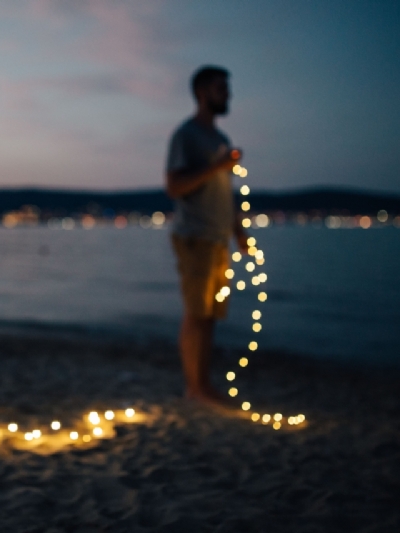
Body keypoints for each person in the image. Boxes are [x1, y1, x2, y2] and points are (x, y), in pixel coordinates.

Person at [165, 65, 248, 408]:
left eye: (227, 89)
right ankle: (194, 387)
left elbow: (227, 194)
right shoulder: (186, 135)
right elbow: (175, 186)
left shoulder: (220, 141)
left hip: (218, 238)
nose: (227, 95)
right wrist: (216, 166)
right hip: (194, 235)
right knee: (196, 313)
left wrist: (240, 235)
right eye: (220, 89)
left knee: (211, 314)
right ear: (201, 92)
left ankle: (203, 384)